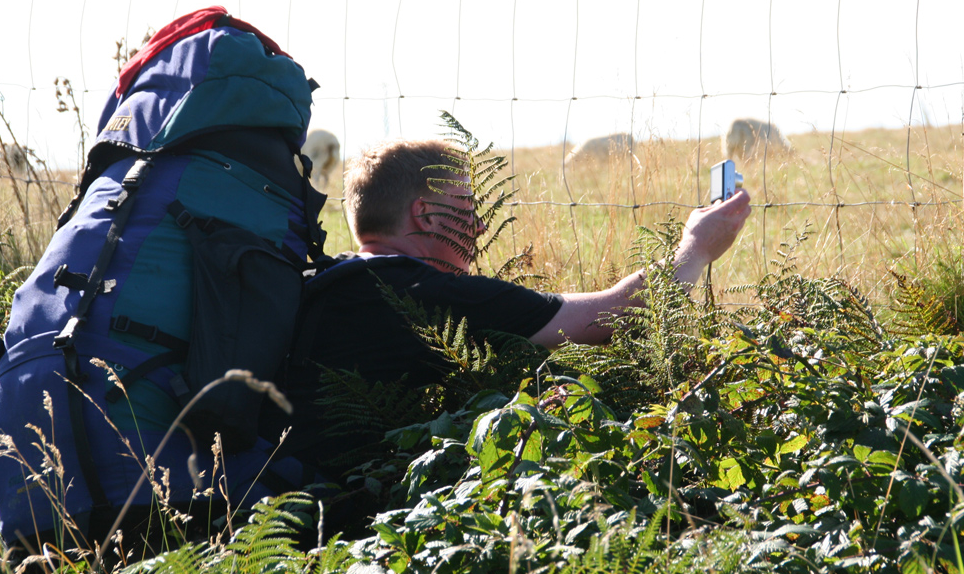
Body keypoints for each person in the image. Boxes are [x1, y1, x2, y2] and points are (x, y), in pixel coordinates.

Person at [260, 139, 751, 484]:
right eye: (466, 207)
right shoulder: (421, 293)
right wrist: (697, 247)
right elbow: (614, 316)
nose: (476, 225)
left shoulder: (329, 280)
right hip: (329, 513)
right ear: (426, 216)